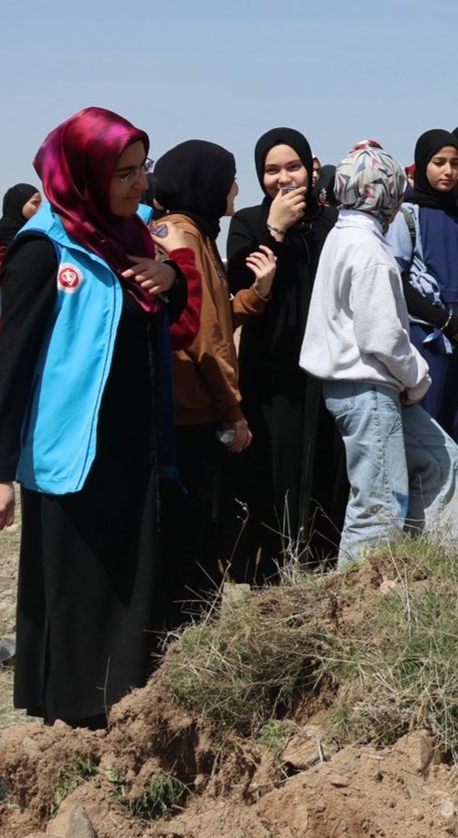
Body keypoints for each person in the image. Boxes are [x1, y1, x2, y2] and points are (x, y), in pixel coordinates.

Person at [0, 107, 197, 728]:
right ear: (86, 175)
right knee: (77, 585)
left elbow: (172, 322)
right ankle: (72, 721)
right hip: (71, 447)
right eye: (123, 172)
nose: (138, 184)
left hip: (135, 444)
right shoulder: (43, 250)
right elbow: (12, 365)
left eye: (141, 169)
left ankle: (121, 708)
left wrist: (170, 279)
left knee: (128, 580)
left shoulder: (136, 237)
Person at [299, 146, 458, 566]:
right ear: (388, 194)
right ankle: (359, 612)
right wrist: (416, 377)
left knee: (441, 460)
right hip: (369, 387)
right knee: (378, 507)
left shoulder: (343, 235)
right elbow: (382, 336)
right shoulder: (370, 252)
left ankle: (430, 572)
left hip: (359, 386)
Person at [150, 140, 272, 624]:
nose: (236, 188)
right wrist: (234, 411)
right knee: (195, 527)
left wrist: (255, 297)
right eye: (229, 178)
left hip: (194, 405)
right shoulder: (181, 238)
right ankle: (190, 630)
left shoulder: (195, 233)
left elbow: (215, 316)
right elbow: (205, 341)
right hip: (193, 410)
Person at [226, 128, 349, 581]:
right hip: (272, 364)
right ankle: (272, 563)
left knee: (327, 460)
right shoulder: (249, 223)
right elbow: (238, 280)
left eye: (292, 167)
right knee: (275, 461)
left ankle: (323, 556)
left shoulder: (332, 222)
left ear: (310, 167)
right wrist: (275, 229)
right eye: (271, 170)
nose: (283, 178)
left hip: (327, 362)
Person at [387, 129, 458, 452]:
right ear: (422, 165)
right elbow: (398, 282)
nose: (447, 170)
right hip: (428, 335)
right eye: (438, 162)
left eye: (454, 162)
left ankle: (450, 496)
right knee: (427, 420)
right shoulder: (406, 216)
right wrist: (447, 322)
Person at [0, 184, 42, 331]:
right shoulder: (0, 231)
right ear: (19, 203)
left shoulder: (39, 230)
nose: (39, 208)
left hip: (34, 295)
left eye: (40, 203)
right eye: (34, 203)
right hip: (5, 295)